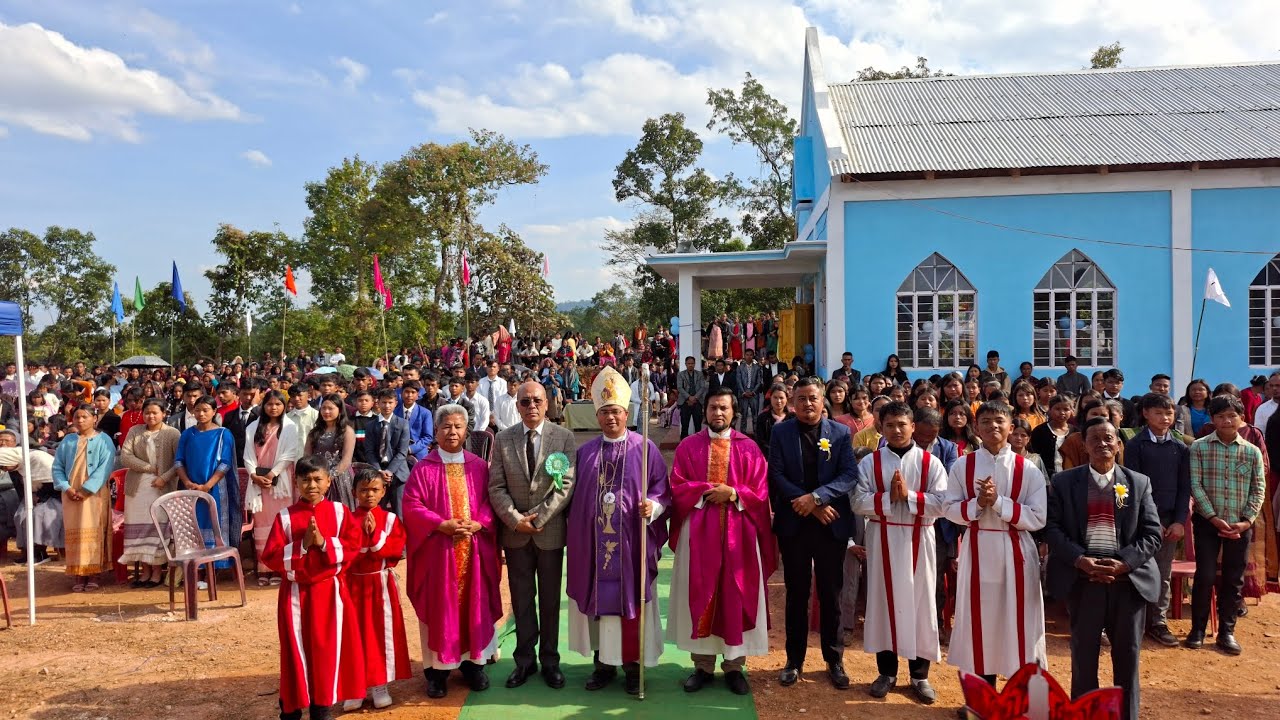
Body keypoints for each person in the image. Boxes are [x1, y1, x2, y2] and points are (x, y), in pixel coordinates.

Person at [1045, 418, 1163, 720]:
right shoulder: (1064, 482)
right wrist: (1080, 560)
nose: (1102, 444)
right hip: (1084, 581)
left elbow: (1152, 533)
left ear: (1119, 444)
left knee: (1128, 658)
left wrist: (1124, 563)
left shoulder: (1136, 483)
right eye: (1094, 438)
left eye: (1109, 438)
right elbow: (1054, 530)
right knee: (1084, 659)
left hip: (1127, 583)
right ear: (1084, 445)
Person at [566, 367, 670, 695]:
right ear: (596, 415)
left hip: (631, 545)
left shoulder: (645, 449)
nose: (611, 417)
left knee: (632, 603)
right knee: (599, 604)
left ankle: (632, 667)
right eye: (604, 412)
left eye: (616, 412)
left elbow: (661, 489)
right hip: (595, 545)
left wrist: (652, 507)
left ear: (627, 413)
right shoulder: (584, 454)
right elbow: (569, 495)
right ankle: (603, 665)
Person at [667, 388, 776, 696]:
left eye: (724, 408)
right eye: (713, 407)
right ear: (705, 412)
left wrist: (734, 493)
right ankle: (702, 665)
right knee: (702, 592)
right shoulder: (689, 447)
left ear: (734, 412)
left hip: (738, 534)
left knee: (735, 594)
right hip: (699, 533)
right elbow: (677, 484)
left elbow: (761, 490)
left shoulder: (750, 448)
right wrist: (706, 489)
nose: (718, 413)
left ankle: (733, 666)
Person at [942, 401, 1048, 686]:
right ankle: (983, 695)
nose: (993, 426)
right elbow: (949, 509)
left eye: (999, 420)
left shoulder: (1028, 469)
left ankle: (1020, 694)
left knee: (1018, 621)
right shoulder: (962, 466)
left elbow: (1038, 517)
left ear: (1011, 427)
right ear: (976, 427)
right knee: (980, 622)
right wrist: (977, 504)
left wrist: (998, 503)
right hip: (977, 549)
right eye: (985, 421)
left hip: (1016, 551)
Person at [852, 401, 948, 705]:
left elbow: (943, 503)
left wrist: (908, 496)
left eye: (902, 424)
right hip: (882, 535)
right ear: (881, 426)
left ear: (913, 426)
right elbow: (857, 501)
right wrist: (886, 500)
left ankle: (919, 676)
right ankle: (886, 673)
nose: (896, 430)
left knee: (921, 603)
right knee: (883, 602)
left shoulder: (930, 462)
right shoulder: (870, 462)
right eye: (890, 424)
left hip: (920, 537)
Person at [403, 404, 502, 698]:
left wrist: (478, 523)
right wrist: (440, 523)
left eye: (458, 426)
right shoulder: (424, 468)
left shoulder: (478, 466)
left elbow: (490, 500)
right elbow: (412, 505)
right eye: (446, 426)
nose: (452, 432)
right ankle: (437, 672)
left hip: (474, 550)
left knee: (475, 603)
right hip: (439, 553)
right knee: (440, 606)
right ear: (436, 431)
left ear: (466, 431)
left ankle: (474, 666)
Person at [768, 376, 858, 690]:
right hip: (794, 523)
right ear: (793, 402)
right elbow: (775, 474)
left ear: (824, 401)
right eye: (802, 398)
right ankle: (794, 659)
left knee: (830, 593)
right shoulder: (781, 432)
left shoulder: (841, 433)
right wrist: (804, 502)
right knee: (797, 593)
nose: (808, 404)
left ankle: (834, 660)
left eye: (813, 398)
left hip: (829, 522)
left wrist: (818, 499)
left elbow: (849, 474)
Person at [487, 380, 578, 690]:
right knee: (522, 600)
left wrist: (537, 519)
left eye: (537, 400)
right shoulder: (502, 439)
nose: (532, 406)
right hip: (516, 535)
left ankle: (551, 662)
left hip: (549, 533)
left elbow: (565, 485)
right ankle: (525, 661)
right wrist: (515, 520)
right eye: (525, 402)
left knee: (550, 601)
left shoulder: (564, 437)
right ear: (517, 406)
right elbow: (496, 486)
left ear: (548, 402)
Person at [261, 456, 366, 720]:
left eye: (318, 479)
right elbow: (271, 556)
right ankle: (292, 704)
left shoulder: (341, 513)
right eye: (305, 480)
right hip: (296, 593)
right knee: (295, 648)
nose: (312, 485)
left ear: (329, 481)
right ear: (296, 483)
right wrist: (303, 545)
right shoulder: (285, 517)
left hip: (330, 591)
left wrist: (323, 543)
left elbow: (354, 548)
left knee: (325, 649)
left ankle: (321, 705)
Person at [1185, 395, 1267, 655]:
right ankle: (1197, 629)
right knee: (1205, 575)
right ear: (1213, 419)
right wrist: (1212, 517)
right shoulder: (1199, 447)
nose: (1227, 420)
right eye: (1220, 416)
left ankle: (1226, 632)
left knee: (1234, 578)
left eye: (1232, 415)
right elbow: (1195, 485)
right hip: (1208, 522)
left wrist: (1246, 521)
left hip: (1240, 524)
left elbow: (1259, 488)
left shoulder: (1251, 451)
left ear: (1242, 419)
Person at [1121, 393, 1190, 648]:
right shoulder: (1136, 445)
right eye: (1159, 413)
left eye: (1169, 413)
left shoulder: (1180, 448)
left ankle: (1158, 622)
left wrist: (1179, 521)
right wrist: (1150, 522)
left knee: (1163, 573)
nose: (1165, 418)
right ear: (1146, 414)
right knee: (1138, 569)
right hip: (1142, 519)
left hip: (1170, 520)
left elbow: (1185, 488)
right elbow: (1136, 486)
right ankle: (1135, 621)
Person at [343, 467, 412, 712]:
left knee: (379, 634)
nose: (369, 495)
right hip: (353, 585)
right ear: (354, 492)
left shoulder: (392, 520)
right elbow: (347, 554)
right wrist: (363, 537)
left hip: (380, 585)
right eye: (363, 490)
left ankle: (380, 684)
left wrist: (373, 538)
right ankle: (356, 687)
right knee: (354, 634)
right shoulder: (347, 519)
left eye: (374, 490)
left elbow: (394, 551)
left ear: (383, 492)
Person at [50, 405, 115, 591]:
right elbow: (57, 467)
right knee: (75, 530)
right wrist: (66, 487)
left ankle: (93, 573)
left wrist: (87, 489)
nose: (80, 421)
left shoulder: (104, 440)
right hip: (70, 494)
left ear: (94, 418)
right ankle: (78, 574)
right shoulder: (68, 440)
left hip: (94, 494)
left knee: (94, 529)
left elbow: (105, 467)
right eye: (76, 417)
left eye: (84, 417)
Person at [174, 396, 239, 581]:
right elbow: (179, 461)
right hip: (191, 489)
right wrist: (187, 483)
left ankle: (216, 568)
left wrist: (208, 485)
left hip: (216, 489)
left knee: (215, 523)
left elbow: (225, 463)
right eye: (197, 410)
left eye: (205, 410)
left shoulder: (223, 434)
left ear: (214, 412)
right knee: (194, 525)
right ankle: (198, 569)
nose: (201, 414)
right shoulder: (187, 434)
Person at [117, 399, 180, 587]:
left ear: (163, 413)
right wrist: (150, 468)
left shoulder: (172, 433)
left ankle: (156, 572)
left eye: (155, 412)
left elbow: (179, 462)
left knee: (156, 528)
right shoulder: (135, 431)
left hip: (161, 488)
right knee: (138, 529)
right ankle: (144, 572)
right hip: (137, 488)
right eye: (147, 413)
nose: (151, 416)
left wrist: (164, 477)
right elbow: (125, 457)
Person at [244, 391, 302, 586]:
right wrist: (254, 475)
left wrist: (271, 474)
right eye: (270, 404)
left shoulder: (290, 427)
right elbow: (248, 455)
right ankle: (263, 568)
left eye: (278, 404)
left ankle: (278, 567)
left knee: (280, 524)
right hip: (258, 483)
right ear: (264, 405)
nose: (274, 407)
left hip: (280, 483)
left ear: (284, 406)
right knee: (262, 526)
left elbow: (290, 453)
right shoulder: (253, 427)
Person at [2, 437, 60, 564]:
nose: (4, 469)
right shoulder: (16, 465)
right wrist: (30, 498)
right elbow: (20, 489)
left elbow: (56, 482)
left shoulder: (38, 459)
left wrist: (39, 497)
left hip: (55, 496)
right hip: (33, 496)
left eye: (4, 466)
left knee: (38, 516)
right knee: (20, 515)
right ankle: (28, 552)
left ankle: (40, 553)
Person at [363, 389, 411, 516]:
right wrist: (379, 471)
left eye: (390, 402)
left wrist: (389, 471)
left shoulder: (403, 424)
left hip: (398, 474)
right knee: (377, 512)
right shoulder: (370, 425)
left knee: (399, 513)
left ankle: (399, 536)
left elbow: (402, 452)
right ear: (378, 403)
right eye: (384, 402)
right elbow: (369, 451)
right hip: (377, 473)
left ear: (396, 403)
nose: (387, 406)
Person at [306, 394, 356, 510]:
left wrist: (329, 477)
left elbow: (346, 460)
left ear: (339, 410)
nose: (326, 411)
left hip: (339, 478)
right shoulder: (314, 431)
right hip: (317, 477)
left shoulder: (347, 431)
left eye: (330, 408)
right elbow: (307, 455)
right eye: (323, 408)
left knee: (339, 513)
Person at [754, 383, 793, 457]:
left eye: (781, 398)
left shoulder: (793, 418)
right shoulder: (763, 418)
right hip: (769, 458)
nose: (778, 401)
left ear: (786, 398)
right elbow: (761, 441)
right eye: (775, 397)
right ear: (770, 398)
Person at [676, 356, 707, 439]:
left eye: (692, 363)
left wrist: (695, 397)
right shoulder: (681, 374)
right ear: (685, 364)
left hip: (697, 402)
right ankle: (683, 445)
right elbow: (679, 388)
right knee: (684, 425)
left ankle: (698, 445)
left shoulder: (699, 374)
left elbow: (702, 387)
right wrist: (689, 397)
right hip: (685, 402)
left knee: (698, 425)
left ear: (695, 364)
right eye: (689, 363)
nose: (690, 365)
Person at [736, 348, 765, 434]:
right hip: (743, 394)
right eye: (747, 355)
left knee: (755, 416)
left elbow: (759, 381)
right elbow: (738, 381)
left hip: (754, 394)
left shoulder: (757, 368)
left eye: (751, 355)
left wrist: (753, 392)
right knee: (743, 415)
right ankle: (743, 434)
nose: (749, 356)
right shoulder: (740, 368)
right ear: (744, 356)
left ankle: (756, 434)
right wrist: (743, 392)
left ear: (753, 356)